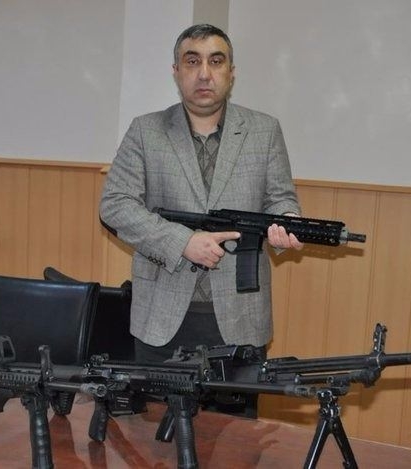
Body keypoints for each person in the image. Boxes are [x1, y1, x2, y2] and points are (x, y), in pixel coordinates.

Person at [100, 24, 303, 367]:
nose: (204, 73)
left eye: (216, 61)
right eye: (192, 61)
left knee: (237, 407)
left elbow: (280, 199)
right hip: (160, 319)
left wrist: (288, 222)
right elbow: (115, 205)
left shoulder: (264, 130)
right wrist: (183, 242)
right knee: (155, 406)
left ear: (231, 72)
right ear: (176, 72)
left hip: (241, 319)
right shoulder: (145, 131)